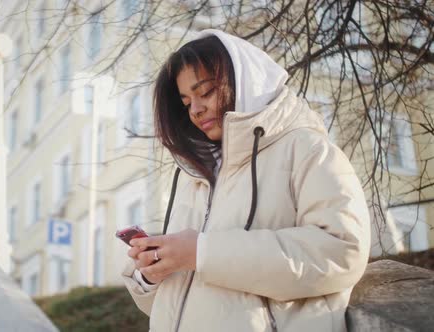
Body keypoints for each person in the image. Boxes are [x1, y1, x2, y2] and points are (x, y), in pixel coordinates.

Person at [121, 29, 371, 332]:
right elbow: (175, 303)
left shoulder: (306, 149)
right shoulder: (196, 176)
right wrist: (152, 273)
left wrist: (202, 252)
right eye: (186, 102)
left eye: (206, 92)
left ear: (242, 82)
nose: (196, 110)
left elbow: (341, 251)